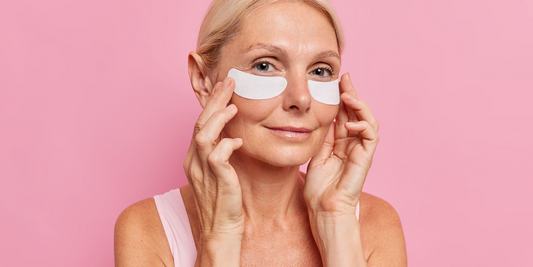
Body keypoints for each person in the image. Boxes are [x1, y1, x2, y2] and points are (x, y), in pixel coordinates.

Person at [114, 0, 407, 266]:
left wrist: (335, 222)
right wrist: (219, 237)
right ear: (203, 80)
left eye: (320, 71)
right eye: (265, 65)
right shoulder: (147, 229)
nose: (301, 98)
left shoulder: (375, 224)